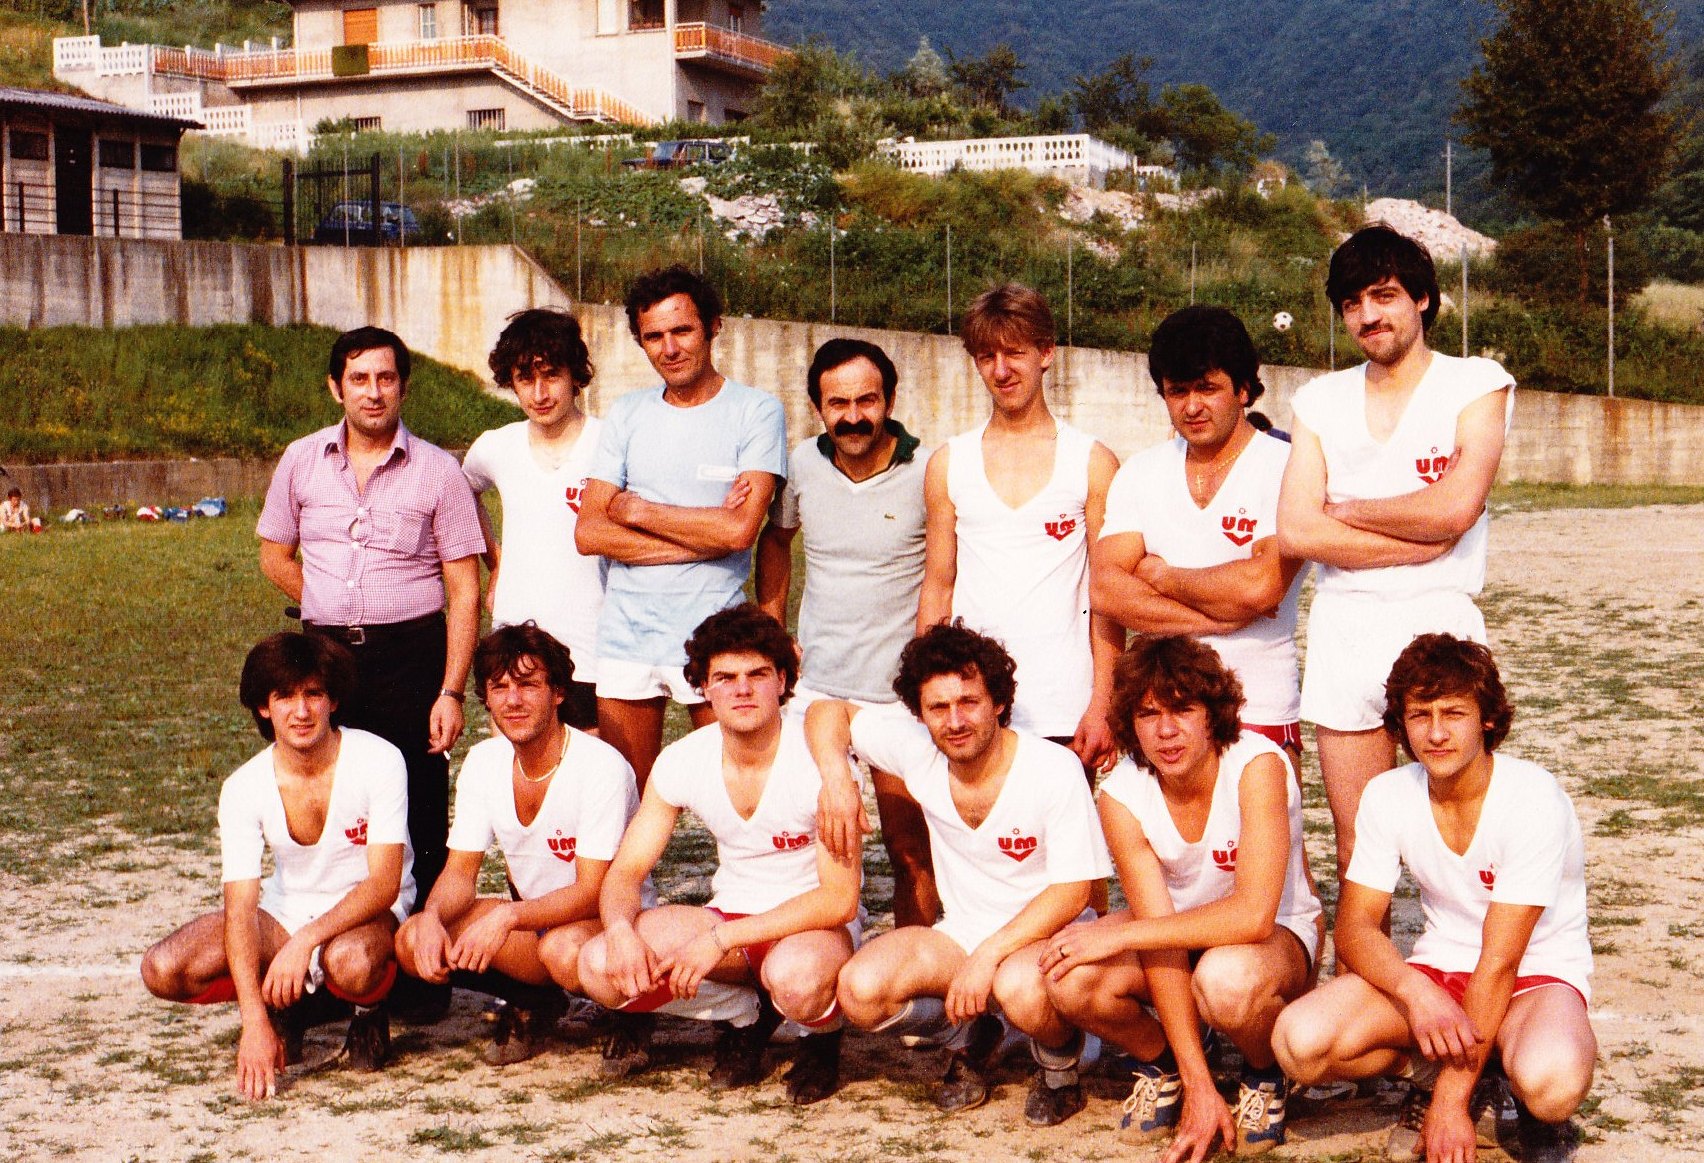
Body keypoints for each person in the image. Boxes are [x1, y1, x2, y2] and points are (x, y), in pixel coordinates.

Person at [1273, 635, 1594, 1163]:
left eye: (1454, 713)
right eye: (1420, 715)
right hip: (1441, 971)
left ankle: (1482, 1083)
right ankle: (1441, 1074)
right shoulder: (1388, 793)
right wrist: (1417, 993)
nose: (1436, 733)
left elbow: (1501, 961)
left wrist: (1450, 1106)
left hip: (1532, 977)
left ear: (1487, 719)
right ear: (1401, 724)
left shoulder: (1532, 798)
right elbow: (1356, 928)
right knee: (1299, 1042)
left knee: (1552, 1084)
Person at [1277, 225, 1513, 881]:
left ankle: (1473, 949)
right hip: (1345, 627)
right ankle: (1360, 951)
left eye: (1383, 295)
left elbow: (1455, 509)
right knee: (1357, 848)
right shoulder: (1319, 400)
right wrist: (1425, 532)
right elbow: (1296, 532)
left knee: (1467, 833)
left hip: (1441, 624)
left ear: (1423, 299)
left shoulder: (1476, 383)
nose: (1368, 315)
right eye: (1352, 303)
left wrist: (1349, 510)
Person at [814, 622, 1111, 1125]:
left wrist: (989, 955)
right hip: (964, 934)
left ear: (999, 702)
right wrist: (836, 777)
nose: (954, 721)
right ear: (920, 713)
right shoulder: (920, 751)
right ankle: (975, 1033)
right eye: (938, 707)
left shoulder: (1051, 768)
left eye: (969, 702)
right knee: (860, 989)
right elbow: (829, 712)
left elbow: (1073, 890)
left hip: (1050, 940)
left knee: (1019, 986)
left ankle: (1061, 1064)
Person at [1037, 635, 1322, 1158]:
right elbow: (1159, 934)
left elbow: (1253, 916)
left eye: (1182, 709)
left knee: (1225, 980)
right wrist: (1198, 1085)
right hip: (1178, 932)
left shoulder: (1258, 764)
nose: (1166, 731)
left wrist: (1121, 934)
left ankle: (1264, 1071)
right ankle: (1169, 1061)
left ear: (1212, 714)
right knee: (1069, 976)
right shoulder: (1121, 793)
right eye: (1148, 714)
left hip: (1274, 938)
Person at [576, 605, 860, 1105]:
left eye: (757, 675)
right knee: (598, 965)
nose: (741, 689)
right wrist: (620, 931)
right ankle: (744, 1017)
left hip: (811, 930)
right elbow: (626, 871)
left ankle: (820, 1036)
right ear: (704, 687)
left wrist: (719, 939)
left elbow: (838, 901)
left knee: (796, 979)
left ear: (783, 681)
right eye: (725, 678)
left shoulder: (819, 758)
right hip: (730, 917)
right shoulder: (684, 758)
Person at [257, 326, 484, 928]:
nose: (373, 392)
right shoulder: (301, 459)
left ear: (404, 386)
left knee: (418, 795)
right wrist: (330, 601)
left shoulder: (439, 470)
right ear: (336, 388)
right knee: (333, 790)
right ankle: (337, 934)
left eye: (386, 378)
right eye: (359, 379)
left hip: (412, 656)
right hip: (326, 656)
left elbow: (465, 591)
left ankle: (422, 944)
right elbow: (273, 554)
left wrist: (451, 691)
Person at [140, 633, 415, 1098]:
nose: (301, 711)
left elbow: (384, 883)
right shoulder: (243, 786)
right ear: (263, 707)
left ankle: (368, 1012)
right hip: (287, 911)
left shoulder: (379, 760)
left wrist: (306, 941)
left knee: (350, 963)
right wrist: (253, 1022)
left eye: (313, 693)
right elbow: (240, 909)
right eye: (284, 696)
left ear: (333, 700)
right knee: (163, 967)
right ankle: (281, 1008)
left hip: (366, 913)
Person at [576, 266, 788, 789]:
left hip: (717, 636)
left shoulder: (757, 411)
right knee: (625, 797)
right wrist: (707, 534)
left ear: (713, 326)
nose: (669, 349)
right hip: (627, 636)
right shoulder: (627, 413)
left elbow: (740, 532)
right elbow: (590, 533)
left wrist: (638, 511)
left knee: (739, 793)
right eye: (654, 336)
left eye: (682, 330)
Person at [753, 337, 938, 927]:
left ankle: (917, 965)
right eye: (838, 403)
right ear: (818, 407)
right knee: (807, 850)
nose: (853, 417)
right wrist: (773, 626)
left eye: (867, 400)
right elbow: (776, 540)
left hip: (897, 696)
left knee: (911, 853)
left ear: (890, 401)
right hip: (817, 689)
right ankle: (821, 962)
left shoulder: (929, 470)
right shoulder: (802, 465)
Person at [394, 623, 640, 1065]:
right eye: (499, 687)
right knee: (414, 939)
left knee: (561, 950)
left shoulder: (600, 766)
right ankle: (536, 1002)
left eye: (528, 685)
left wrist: (508, 916)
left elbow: (593, 891)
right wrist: (432, 916)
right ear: (486, 699)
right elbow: (460, 871)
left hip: (604, 923)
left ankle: (633, 1015)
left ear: (558, 692)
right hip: (536, 925)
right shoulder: (484, 761)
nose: (512, 700)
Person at [919, 283, 1123, 774]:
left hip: (1064, 707)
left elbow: (1108, 598)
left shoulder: (1092, 461)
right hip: (972, 706)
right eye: (987, 356)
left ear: (1045, 353)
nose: (1001, 370)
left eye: (1014, 353)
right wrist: (929, 693)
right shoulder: (948, 462)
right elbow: (938, 587)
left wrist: (1103, 703)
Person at [1092, 305, 1308, 768]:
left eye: (1207, 388)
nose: (1191, 407)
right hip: (1163, 715)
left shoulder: (1285, 468)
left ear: (1244, 388)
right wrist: (1219, 619)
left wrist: (1162, 576)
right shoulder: (1140, 472)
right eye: (1178, 391)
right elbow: (1106, 590)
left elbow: (1260, 586)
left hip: (1259, 705)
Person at [462, 308, 607, 730]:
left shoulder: (609, 442)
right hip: (515, 646)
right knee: (516, 763)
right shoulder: (496, 446)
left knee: (591, 762)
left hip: (593, 646)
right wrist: (496, 561)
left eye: (551, 375)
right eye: (526, 379)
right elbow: (461, 494)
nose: (540, 393)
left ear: (575, 375)